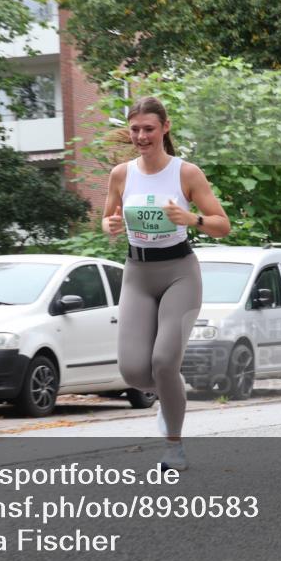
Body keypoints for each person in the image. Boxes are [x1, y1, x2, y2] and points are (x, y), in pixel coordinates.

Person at [102, 96, 230, 470]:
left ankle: (173, 447)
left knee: (163, 361)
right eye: (136, 129)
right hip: (137, 275)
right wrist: (108, 225)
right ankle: (170, 398)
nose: (141, 136)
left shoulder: (186, 173)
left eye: (149, 129)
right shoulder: (121, 174)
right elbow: (107, 217)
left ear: (165, 128)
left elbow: (222, 224)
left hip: (179, 274)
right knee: (133, 370)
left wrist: (191, 219)